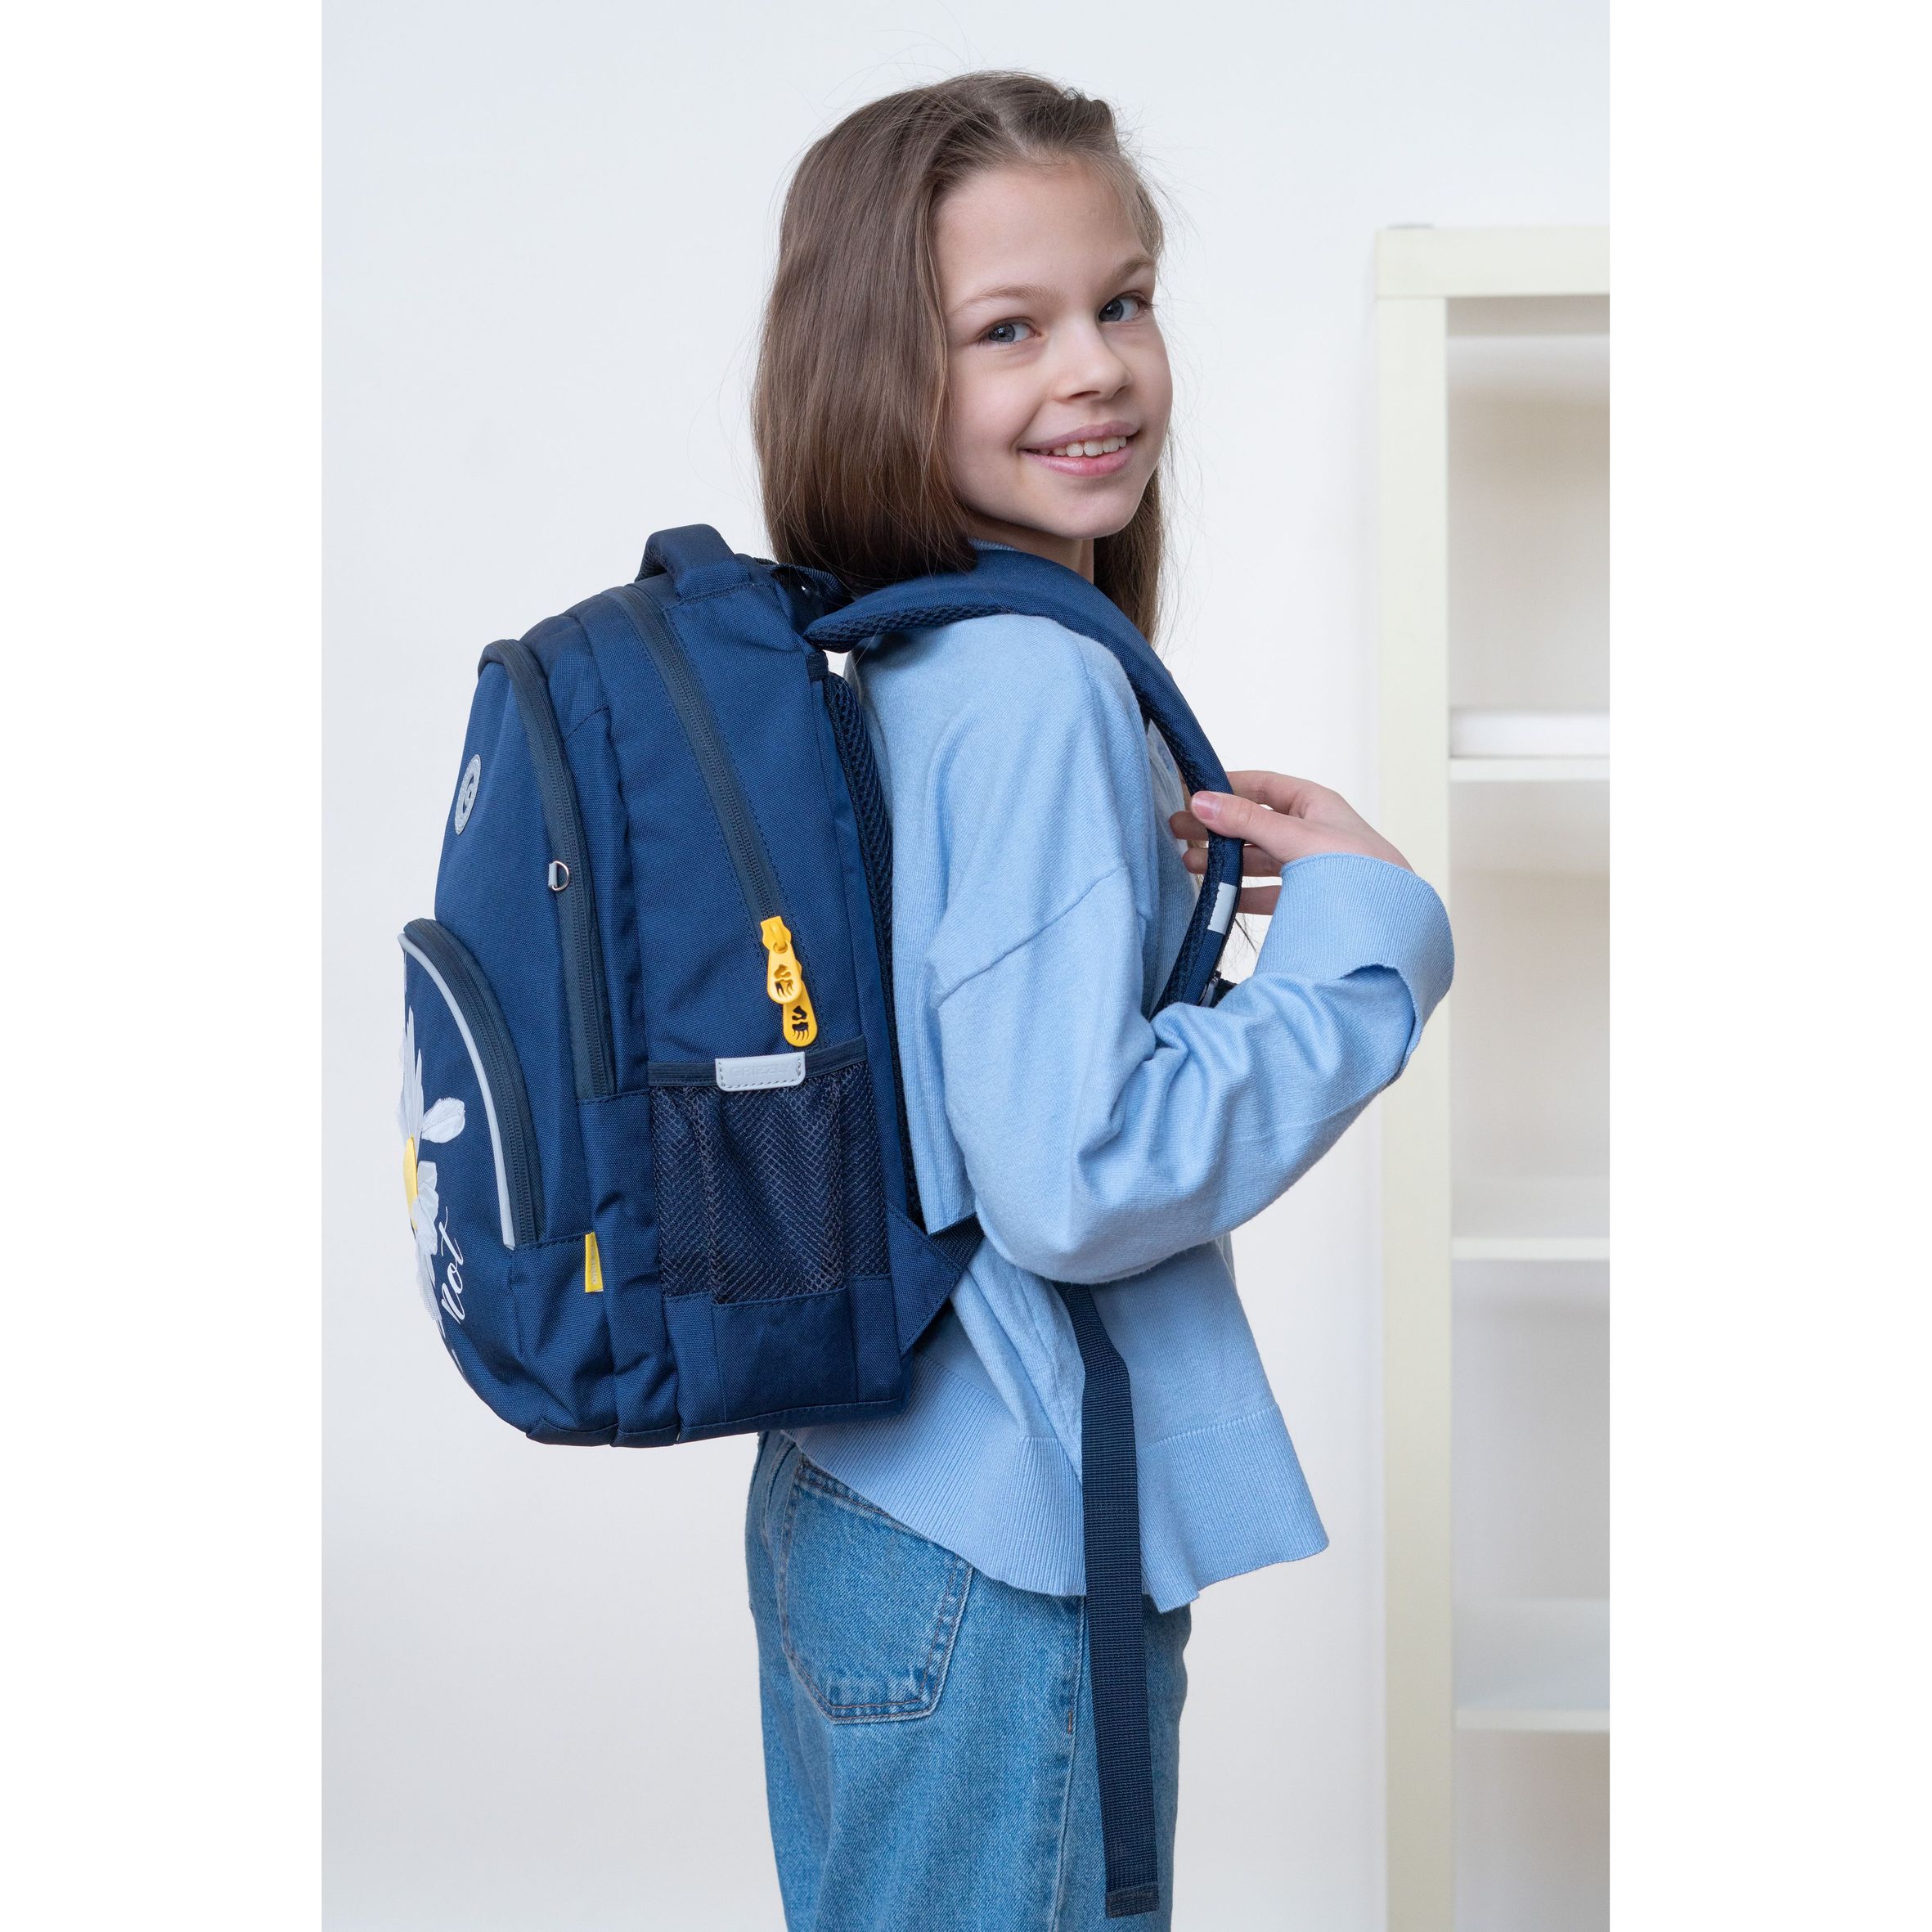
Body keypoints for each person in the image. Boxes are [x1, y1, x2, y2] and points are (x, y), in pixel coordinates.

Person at [740, 72, 1453, 1930]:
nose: (1096, 370)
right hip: (1000, 1539)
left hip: (860, 1495)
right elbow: (1067, 1176)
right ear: (876, 369)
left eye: (1121, 301)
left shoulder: (887, 651)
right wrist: (1368, 958)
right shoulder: (1034, 687)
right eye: (1008, 328)